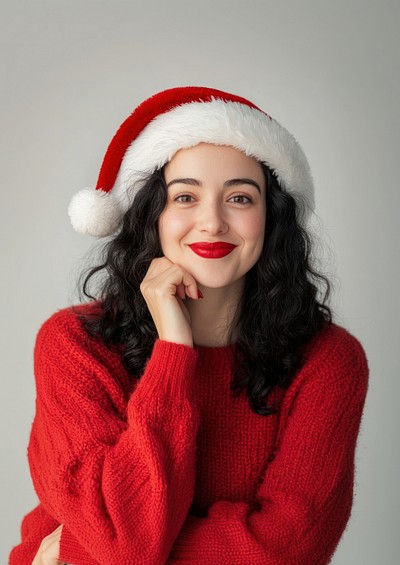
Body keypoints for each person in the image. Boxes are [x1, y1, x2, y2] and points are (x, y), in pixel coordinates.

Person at [9, 86, 369, 565]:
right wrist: (174, 352)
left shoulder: (327, 361)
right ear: (151, 215)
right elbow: (127, 538)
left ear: (272, 217)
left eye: (240, 197)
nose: (212, 222)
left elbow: (289, 549)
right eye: (185, 197)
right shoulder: (73, 345)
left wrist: (80, 548)